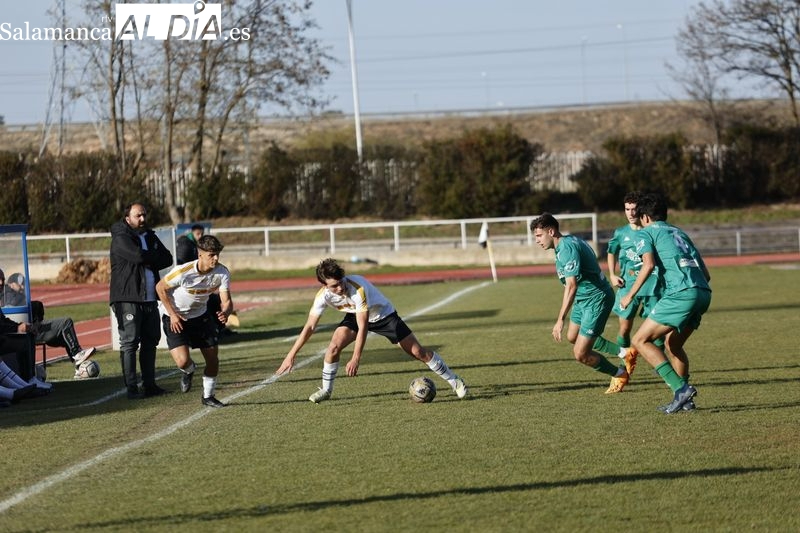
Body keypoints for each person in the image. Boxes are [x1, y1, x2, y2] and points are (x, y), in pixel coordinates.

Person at [276, 258, 469, 403]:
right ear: (324, 286)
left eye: (341, 281)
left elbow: (364, 326)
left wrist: (356, 358)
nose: (340, 287)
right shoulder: (322, 297)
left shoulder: (357, 288)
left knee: (418, 352)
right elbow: (310, 327)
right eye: (334, 285)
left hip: (384, 315)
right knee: (333, 347)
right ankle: (326, 391)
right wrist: (291, 355)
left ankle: (455, 381)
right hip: (354, 315)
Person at [620, 192, 711, 414]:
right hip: (703, 292)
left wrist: (629, 295)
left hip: (682, 293)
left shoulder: (647, 233)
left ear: (646, 217)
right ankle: (685, 402)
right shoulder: (679, 232)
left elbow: (648, 265)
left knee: (640, 340)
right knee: (673, 345)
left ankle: (681, 389)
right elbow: (705, 273)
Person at [530, 213, 638, 393]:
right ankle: (625, 353)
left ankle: (619, 374)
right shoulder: (567, 243)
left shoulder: (567, 249)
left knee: (580, 354)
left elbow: (571, 286)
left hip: (596, 299)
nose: (537, 240)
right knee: (573, 336)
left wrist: (560, 319)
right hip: (584, 298)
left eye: (539, 235)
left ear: (551, 231)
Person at [156, 235, 232, 408]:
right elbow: (160, 288)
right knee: (182, 361)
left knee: (213, 358)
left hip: (201, 317)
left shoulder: (222, 272)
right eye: (211, 255)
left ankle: (208, 396)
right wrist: (173, 314)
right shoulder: (183, 271)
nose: (216, 258)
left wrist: (226, 312)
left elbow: (226, 301)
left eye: (217, 254)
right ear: (200, 255)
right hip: (176, 318)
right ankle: (189, 370)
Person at [110, 202, 174, 400]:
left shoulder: (150, 236)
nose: (143, 219)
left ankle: (150, 385)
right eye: (138, 216)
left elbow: (167, 259)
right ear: (128, 218)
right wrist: (150, 257)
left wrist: (148, 258)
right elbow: (136, 256)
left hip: (149, 299)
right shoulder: (121, 237)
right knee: (130, 342)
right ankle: (131, 388)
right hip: (128, 298)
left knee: (150, 341)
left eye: (144, 215)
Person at [0, 272, 96, 368]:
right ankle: (77, 354)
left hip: (25, 328)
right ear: (11, 284)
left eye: (23, 283)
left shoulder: (9, 294)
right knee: (66, 323)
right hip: (26, 331)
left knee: (64, 337)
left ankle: (78, 362)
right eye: (19, 283)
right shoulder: (8, 293)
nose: (22, 286)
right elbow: (17, 306)